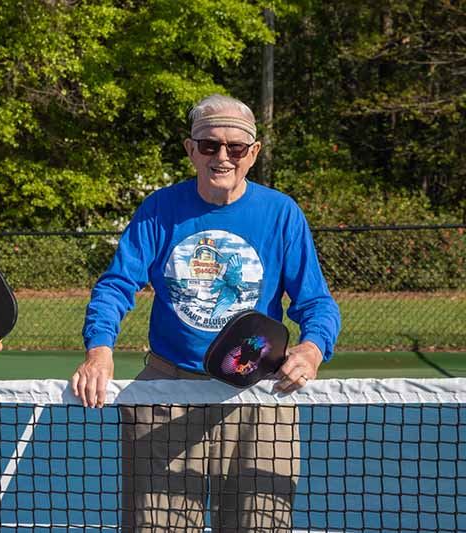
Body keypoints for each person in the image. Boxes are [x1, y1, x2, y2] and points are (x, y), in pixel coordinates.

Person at [70, 94, 341, 532]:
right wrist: (99, 349)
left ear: (252, 154)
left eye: (236, 148)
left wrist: (311, 349)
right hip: (167, 395)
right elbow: (117, 285)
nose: (222, 157)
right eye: (209, 145)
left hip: (259, 398)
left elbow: (316, 303)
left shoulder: (282, 214)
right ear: (190, 149)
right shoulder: (159, 209)